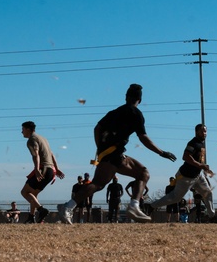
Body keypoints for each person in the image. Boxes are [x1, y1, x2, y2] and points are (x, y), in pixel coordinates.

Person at [57, 84, 176, 223]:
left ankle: (67, 206)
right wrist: (161, 152)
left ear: (126, 97)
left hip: (106, 153)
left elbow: (97, 128)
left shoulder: (114, 112)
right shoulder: (136, 114)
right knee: (143, 173)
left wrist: (100, 148)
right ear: (140, 100)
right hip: (115, 154)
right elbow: (143, 137)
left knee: (98, 184)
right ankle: (134, 206)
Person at [148, 123, 216, 221]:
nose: (204, 133)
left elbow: (199, 161)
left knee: (207, 193)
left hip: (197, 175)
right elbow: (185, 156)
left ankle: (212, 216)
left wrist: (204, 168)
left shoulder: (201, 144)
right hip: (186, 176)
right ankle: (151, 206)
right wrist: (201, 165)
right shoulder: (193, 143)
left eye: (205, 131)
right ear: (196, 132)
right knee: (175, 198)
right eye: (202, 131)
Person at [20, 121, 65, 223]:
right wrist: (56, 169)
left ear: (28, 129)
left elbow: (36, 155)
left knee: (25, 192)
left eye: (22, 129)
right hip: (51, 170)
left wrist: (36, 169)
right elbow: (52, 154)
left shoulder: (31, 140)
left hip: (43, 168)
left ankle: (41, 210)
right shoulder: (43, 139)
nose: (21, 132)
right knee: (33, 194)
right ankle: (31, 217)